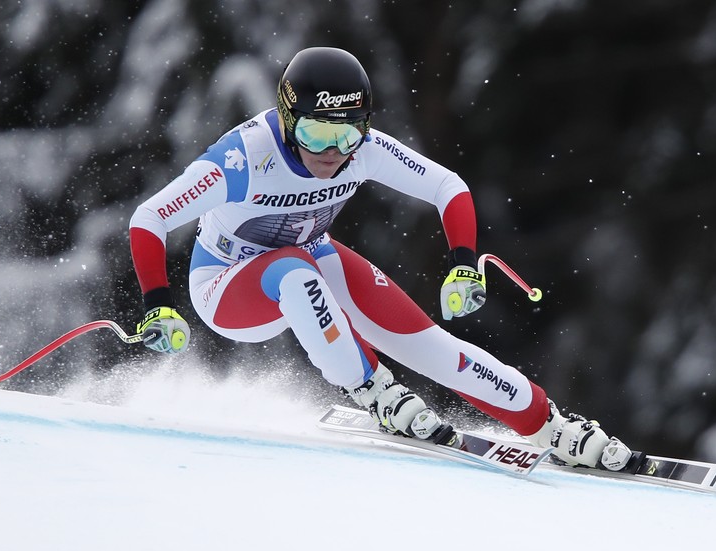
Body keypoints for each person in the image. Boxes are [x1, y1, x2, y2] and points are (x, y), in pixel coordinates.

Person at [129, 46, 633, 471]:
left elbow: (447, 186)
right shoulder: (242, 159)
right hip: (227, 286)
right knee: (296, 272)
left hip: (309, 260)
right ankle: (373, 389)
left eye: (346, 136)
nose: (332, 153)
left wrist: (462, 262)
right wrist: (157, 303)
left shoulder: (364, 148)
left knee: (431, 345)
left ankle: (547, 423)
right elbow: (149, 218)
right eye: (316, 135)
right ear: (286, 121)